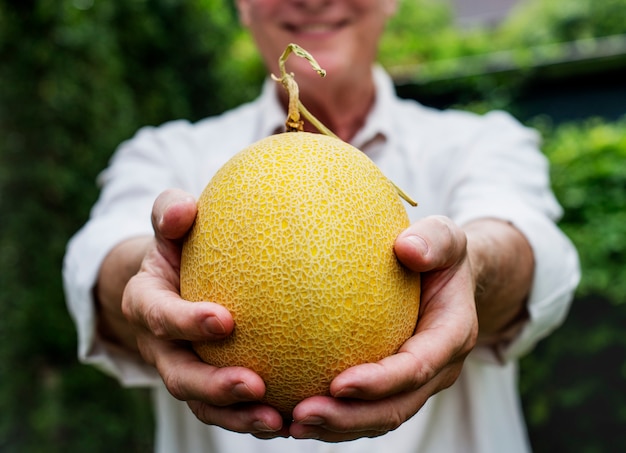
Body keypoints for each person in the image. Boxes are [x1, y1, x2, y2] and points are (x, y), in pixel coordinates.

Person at [63, 0, 580, 452]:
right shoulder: (165, 153)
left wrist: (472, 267)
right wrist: (149, 276)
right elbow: (96, 259)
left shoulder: (482, 142)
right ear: (241, 4)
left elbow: (533, 248)